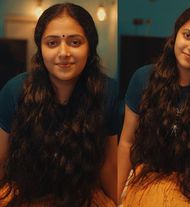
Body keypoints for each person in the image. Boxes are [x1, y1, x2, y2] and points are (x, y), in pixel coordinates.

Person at [0, 3, 118, 207]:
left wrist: (120, 202)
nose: (64, 53)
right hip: (27, 195)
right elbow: (1, 160)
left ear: (90, 46)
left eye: (75, 42)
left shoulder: (107, 91)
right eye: (52, 43)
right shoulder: (15, 91)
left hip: (84, 196)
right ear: (41, 48)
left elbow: (109, 165)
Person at [118, 5, 190, 206]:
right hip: (152, 176)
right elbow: (126, 143)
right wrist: (115, 197)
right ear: (175, 35)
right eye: (188, 36)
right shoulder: (143, 78)